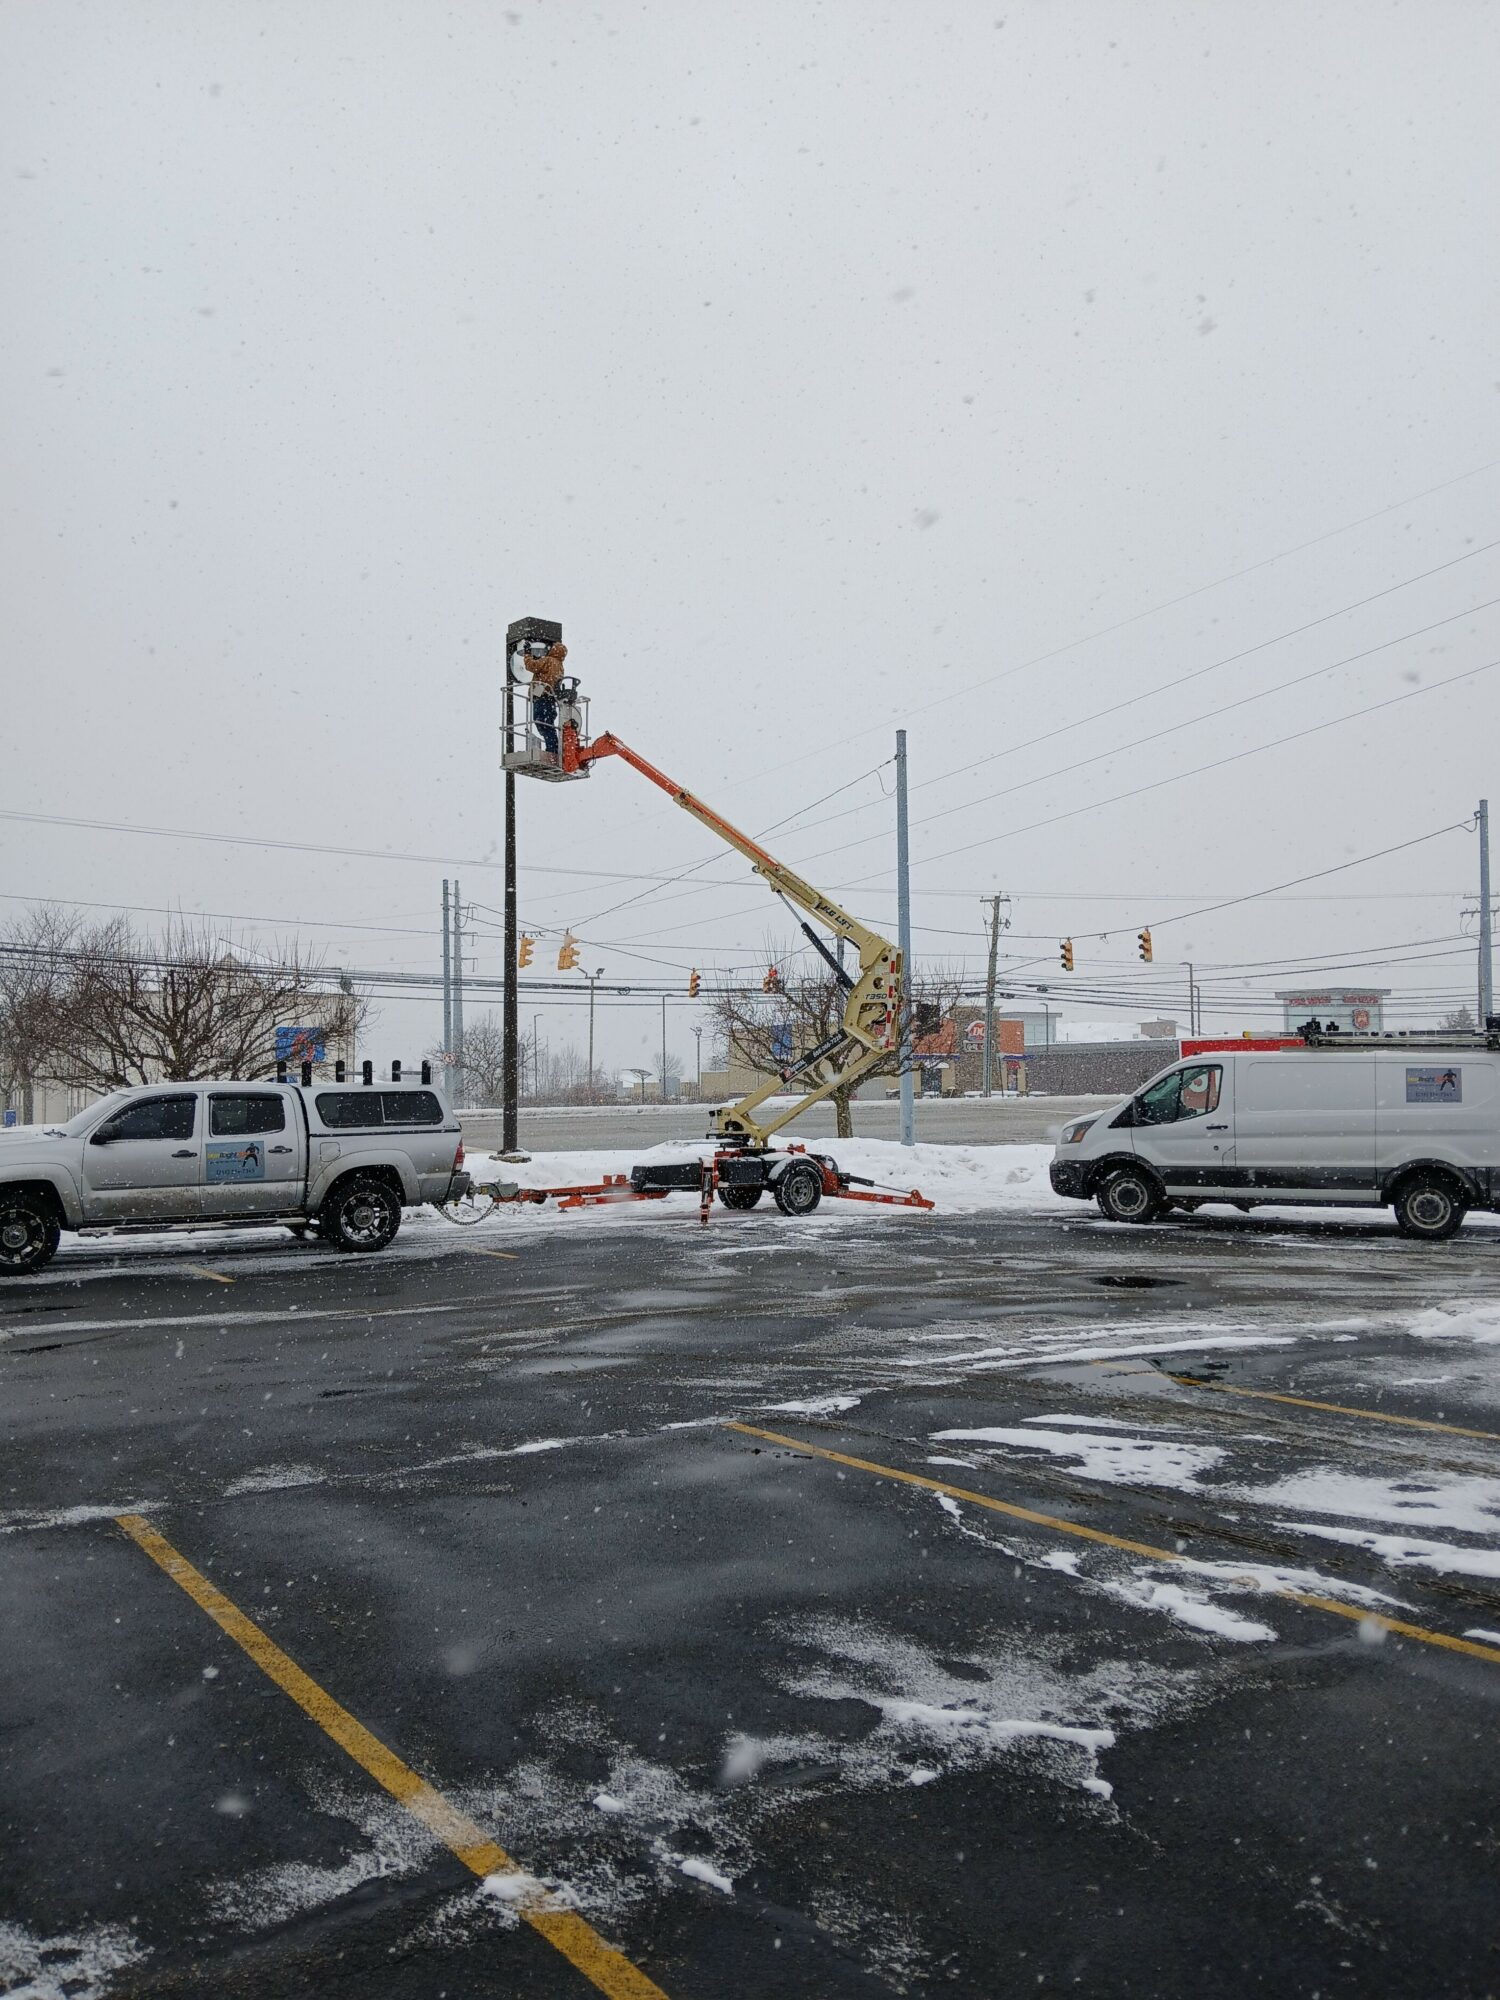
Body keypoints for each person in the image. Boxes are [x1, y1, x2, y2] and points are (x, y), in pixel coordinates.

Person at [524, 640, 567, 757]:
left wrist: (527, 654)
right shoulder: (560, 665)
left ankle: (552, 749)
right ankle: (553, 748)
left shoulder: (548, 660)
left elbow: (531, 666)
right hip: (550, 699)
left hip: (542, 697)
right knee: (548, 724)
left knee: (541, 722)